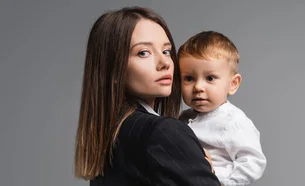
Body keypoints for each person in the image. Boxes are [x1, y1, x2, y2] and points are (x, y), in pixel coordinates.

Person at [73, 6, 221, 186]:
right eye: (143, 53)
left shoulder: (108, 136)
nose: (164, 63)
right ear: (112, 71)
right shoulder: (163, 132)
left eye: (166, 51)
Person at [177, 31, 267, 185]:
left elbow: (253, 161)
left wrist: (219, 180)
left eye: (210, 78)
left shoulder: (233, 121)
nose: (198, 87)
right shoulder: (182, 118)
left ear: (233, 84)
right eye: (189, 78)